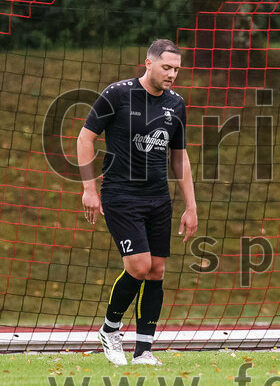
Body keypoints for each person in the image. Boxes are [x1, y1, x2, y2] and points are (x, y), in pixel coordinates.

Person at [78, 39, 198, 366]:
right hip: (120, 195)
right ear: (148, 63)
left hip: (158, 198)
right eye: (166, 67)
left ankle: (144, 351)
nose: (172, 74)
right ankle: (110, 330)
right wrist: (89, 189)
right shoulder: (117, 94)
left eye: (176, 69)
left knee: (157, 271)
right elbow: (85, 138)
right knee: (139, 266)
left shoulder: (176, 104)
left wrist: (191, 206)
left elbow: (179, 157)